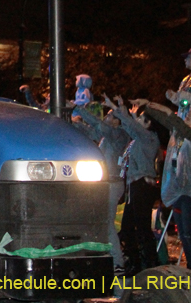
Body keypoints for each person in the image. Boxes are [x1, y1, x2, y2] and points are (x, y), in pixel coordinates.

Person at [143, 100, 191, 274]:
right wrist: (148, 106)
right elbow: (168, 122)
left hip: (190, 193)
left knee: (190, 233)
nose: (188, 112)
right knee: (184, 234)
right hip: (178, 190)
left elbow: (174, 121)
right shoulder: (178, 133)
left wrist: (162, 108)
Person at [104, 95, 161, 274]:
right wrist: (122, 109)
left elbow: (132, 125)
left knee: (142, 226)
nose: (138, 120)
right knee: (128, 227)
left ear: (149, 124)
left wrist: (118, 107)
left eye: (142, 119)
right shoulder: (136, 140)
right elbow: (132, 125)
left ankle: (151, 263)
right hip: (133, 185)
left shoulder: (149, 138)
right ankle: (135, 262)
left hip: (142, 185)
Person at [71, 103, 130, 274]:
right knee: (101, 222)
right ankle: (108, 259)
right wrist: (71, 120)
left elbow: (99, 126)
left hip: (113, 183)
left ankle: (117, 262)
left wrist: (79, 109)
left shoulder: (118, 135)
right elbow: (90, 130)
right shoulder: (107, 136)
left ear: (117, 122)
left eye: (111, 115)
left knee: (107, 223)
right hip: (105, 183)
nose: (107, 117)